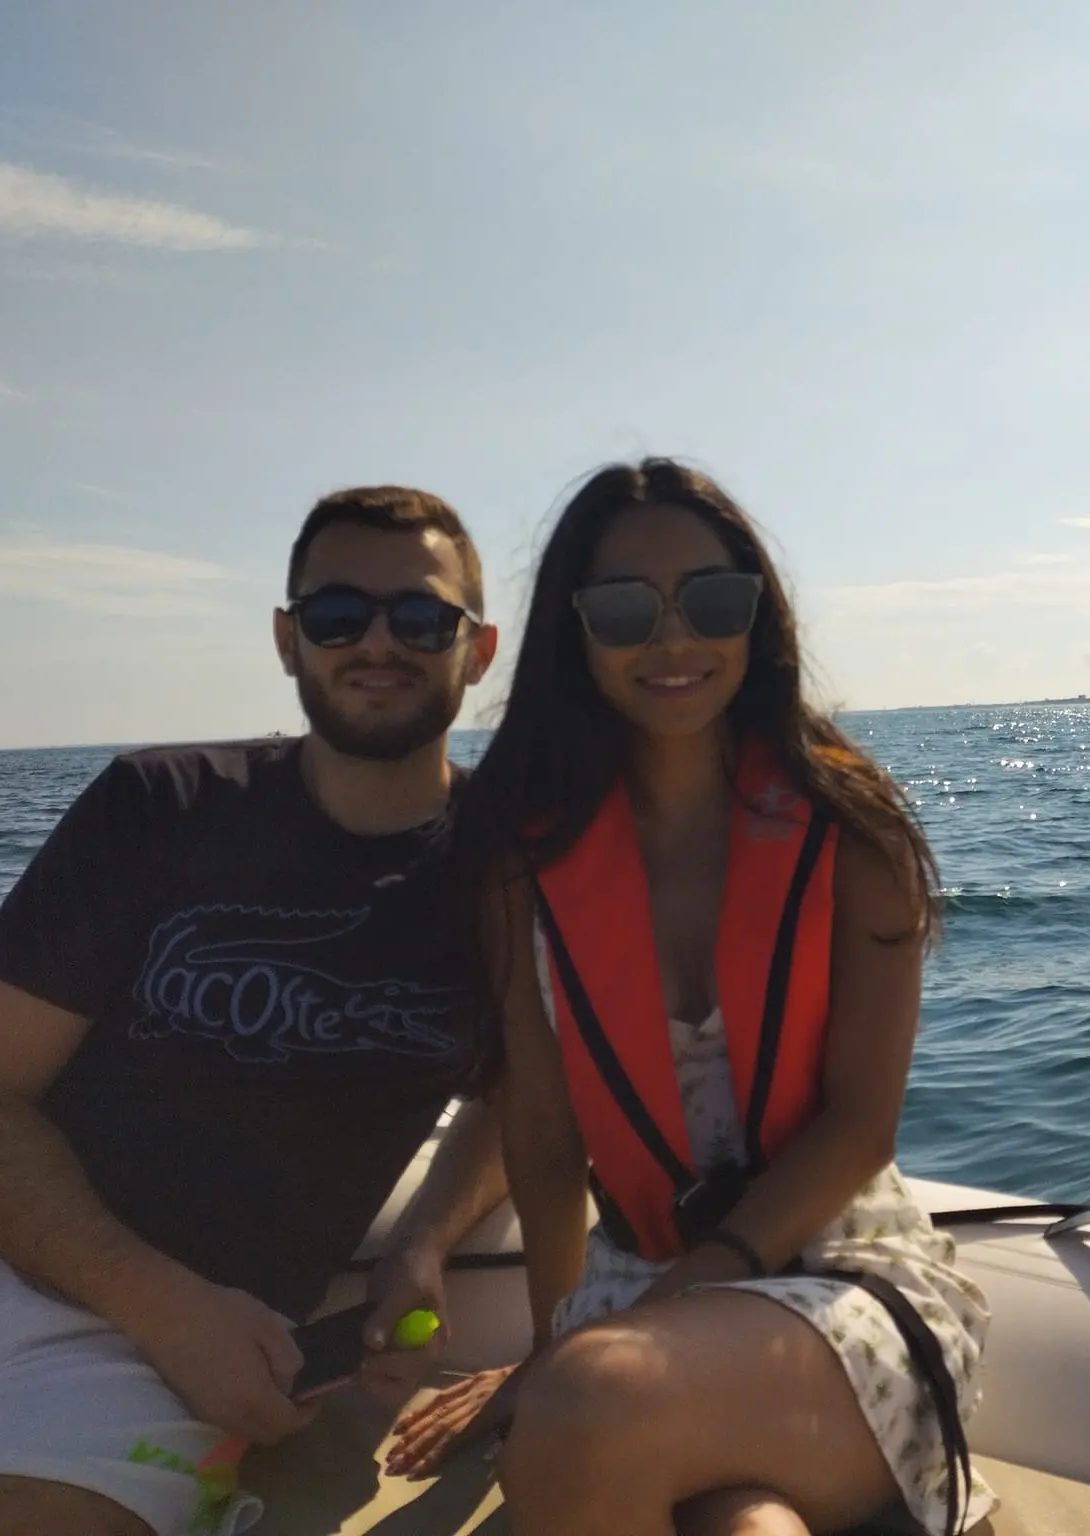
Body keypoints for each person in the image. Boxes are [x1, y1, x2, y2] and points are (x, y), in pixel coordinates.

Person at [385, 459, 997, 1536]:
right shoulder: (520, 863)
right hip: (639, 1286)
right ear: (575, 632)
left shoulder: (850, 831)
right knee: (737, 1522)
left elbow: (859, 1128)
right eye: (625, 610)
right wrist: (557, 1333)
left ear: (756, 619)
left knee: (588, 1407)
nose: (673, 640)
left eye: (712, 601)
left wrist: (605, 1350)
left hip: (847, 1278)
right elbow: (537, 1128)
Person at [0, 487, 511, 1536]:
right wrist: (162, 1305)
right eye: (334, 615)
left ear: (478, 648)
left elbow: (532, 1097)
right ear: (286, 638)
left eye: (419, 618)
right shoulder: (160, 804)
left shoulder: (509, 876)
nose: (377, 643)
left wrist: (422, 1246)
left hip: (135, 1371)